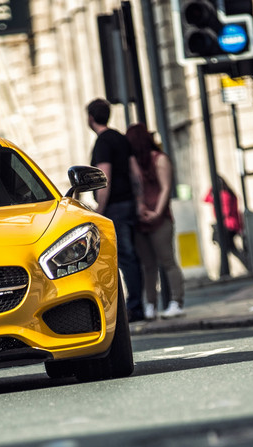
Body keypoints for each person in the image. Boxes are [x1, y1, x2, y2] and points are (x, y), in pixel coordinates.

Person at [86, 98, 144, 321]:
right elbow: (135, 173)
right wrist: (138, 202)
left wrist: (99, 210)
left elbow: (104, 178)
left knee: (124, 257)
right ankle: (139, 304)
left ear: (91, 118)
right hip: (129, 203)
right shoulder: (120, 138)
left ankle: (135, 307)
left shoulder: (103, 143)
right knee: (132, 256)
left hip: (115, 207)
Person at [125, 123, 185, 320]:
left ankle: (176, 301)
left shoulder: (160, 160)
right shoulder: (133, 164)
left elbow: (166, 189)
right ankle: (150, 305)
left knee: (167, 260)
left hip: (160, 219)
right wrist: (140, 208)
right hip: (142, 220)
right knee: (147, 266)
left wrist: (157, 213)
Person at [203, 177, 248, 273]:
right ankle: (224, 271)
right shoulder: (224, 195)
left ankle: (224, 272)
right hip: (230, 225)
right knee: (229, 249)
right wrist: (212, 188)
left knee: (228, 249)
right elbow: (206, 199)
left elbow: (226, 212)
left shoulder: (224, 195)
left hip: (228, 226)